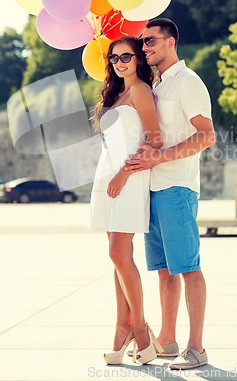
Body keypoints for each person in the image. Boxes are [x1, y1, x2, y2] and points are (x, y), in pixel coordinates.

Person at [124, 18, 216, 370]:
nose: (145, 47)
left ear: (170, 42)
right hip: (153, 189)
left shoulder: (187, 82)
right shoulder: (157, 84)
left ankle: (197, 348)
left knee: (188, 268)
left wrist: (159, 158)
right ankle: (168, 339)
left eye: (150, 41)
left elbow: (207, 136)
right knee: (164, 270)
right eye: (142, 42)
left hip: (176, 187)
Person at [89, 36, 163, 365]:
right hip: (107, 175)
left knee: (118, 252)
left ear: (138, 59)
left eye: (127, 56)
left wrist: (123, 173)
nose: (120, 62)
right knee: (118, 259)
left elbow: (155, 139)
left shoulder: (141, 91)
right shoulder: (116, 93)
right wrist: (111, 174)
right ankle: (122, 330)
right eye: (115, 57)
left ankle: (142, 331)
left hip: (129, 178)